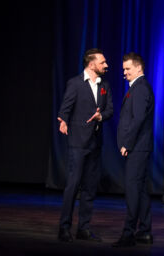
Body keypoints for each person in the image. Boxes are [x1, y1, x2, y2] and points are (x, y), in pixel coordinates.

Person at [57, 48, 113, 242]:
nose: (106, 65)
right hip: (78, 143)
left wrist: (101, 116)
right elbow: (65, 108)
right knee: (73, 185)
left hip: (95, 144)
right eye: (102, 62)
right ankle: (64, 227)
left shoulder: (104, 85)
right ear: (91, 64)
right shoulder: (75, 83)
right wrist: (63, 121)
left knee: (90, 187)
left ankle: (84, 228)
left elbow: (110, 110)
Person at [113, 52, 155, 247]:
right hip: (139, 147)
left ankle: (128, 233)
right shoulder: (139, 87)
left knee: (133, 190)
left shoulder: (140, 89)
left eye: (128, 69)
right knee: (141, 190)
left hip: (137, 148)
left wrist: (127, 144)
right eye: (124, 69)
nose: (125, 73)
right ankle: (145, 231)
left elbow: (138, 119)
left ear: (139, 68)